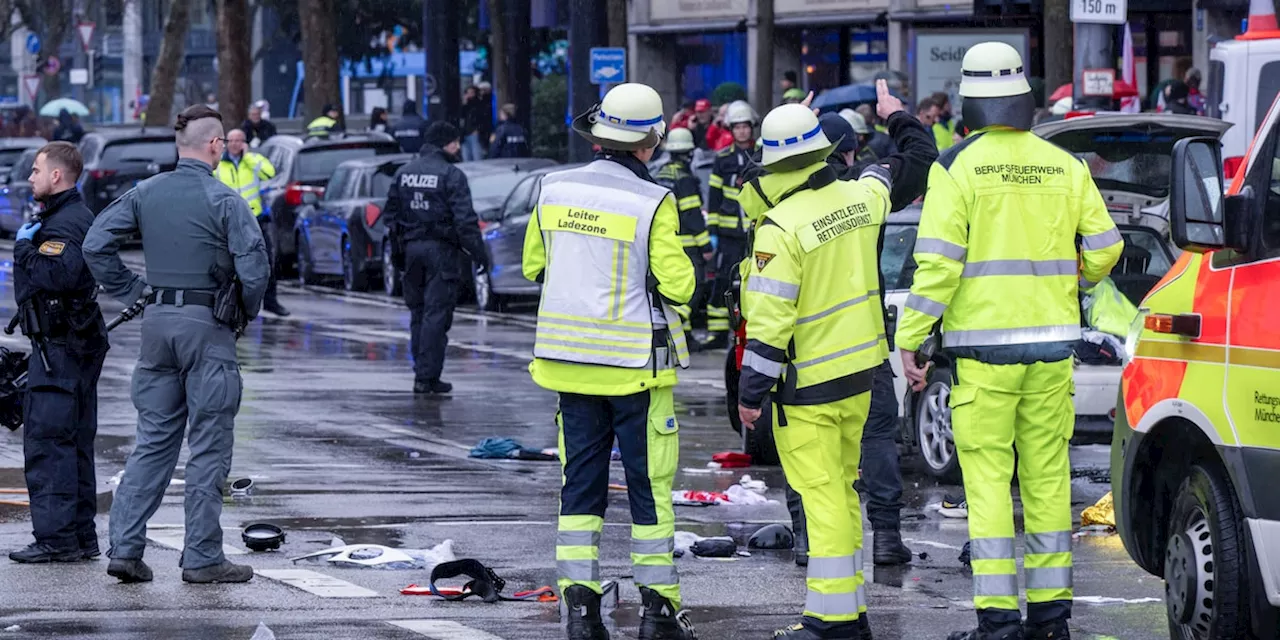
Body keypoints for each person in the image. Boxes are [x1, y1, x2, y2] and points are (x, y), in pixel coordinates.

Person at [894, 43, 1124, 640]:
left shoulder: (956, 167)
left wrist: (912, 339)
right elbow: (1106, 248)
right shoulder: (1063, 165)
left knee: (989, 485)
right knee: (1048, 480)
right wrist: (1074, 283)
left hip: (982, 358)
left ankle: (998, 623)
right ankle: (1051, 620)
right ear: (1023, 97)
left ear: (969, 101)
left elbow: (939, 267)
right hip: (1051, 353)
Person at [521, 82, 697, 640]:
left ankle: (580, 611)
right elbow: (681, 285)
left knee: (580, 491)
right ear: (651, 140)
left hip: (569, 367)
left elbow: (533, 266)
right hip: (633, 371)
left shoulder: (553, 186)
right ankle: (658, 613)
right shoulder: (653, 200)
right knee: (649, 491)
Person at [83, 105, 270, 585]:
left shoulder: (146, 192)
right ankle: (204, 557)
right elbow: (254, 268)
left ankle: (125, 549)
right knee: (208, 446)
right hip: (207, 329)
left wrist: (131, 291)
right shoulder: (224, 200)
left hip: (157, 328)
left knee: (152, 443)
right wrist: (243, 312)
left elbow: (95, 243)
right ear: (214, 146)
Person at [734, 99, 896, 640]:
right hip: (861, 376)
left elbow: (771, 321)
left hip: (807, 388)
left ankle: (829, 622)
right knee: (844, 492)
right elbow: (881, 175)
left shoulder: (779, 227)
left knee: (822, 496)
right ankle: (851, 615)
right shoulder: (861, 200)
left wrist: (750, 393)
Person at [7, 142, 108, 564]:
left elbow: (59, 275)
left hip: (61, 347)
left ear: (56, 176)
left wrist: (23, 250)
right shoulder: (66, 216)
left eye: (35, 171)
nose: (30, 178)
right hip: (70, 344)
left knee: (50, 443)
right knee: (74, 441)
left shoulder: (65, 223)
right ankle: (80, 536)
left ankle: (57, 539)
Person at [382, 121, 487, 395]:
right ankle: (427, 378)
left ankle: (422, 370)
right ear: (447, 144)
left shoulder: (404, 173)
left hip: (410, 251)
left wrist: (398, 252)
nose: (459, 147)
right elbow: (465, 221)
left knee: (418, 314)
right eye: (456, 143)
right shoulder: (451, 174)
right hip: (441, 253)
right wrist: (480, 254)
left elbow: (390, 217)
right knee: (436, 316)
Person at [704, 100, 759, 349]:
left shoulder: (761, 155)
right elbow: (714, 198)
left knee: (755, 282)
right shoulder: (722, 159)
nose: (742, 132)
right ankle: (717, 332)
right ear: (731, 130)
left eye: (745, 127)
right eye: (737, 128)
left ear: (752, 128)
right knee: (725, 281)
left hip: (756, 231)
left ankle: (752, 329)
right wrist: (712, 231)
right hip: (728, 235)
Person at [216, 128, 288, 317]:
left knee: (266, 261)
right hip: (229, 221)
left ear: (244, 143)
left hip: (255, 219)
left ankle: (270, 301)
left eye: (239, 140)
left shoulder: (253, 160)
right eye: (231, 140)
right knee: (231, 265)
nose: (235, 144)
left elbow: (269, 173)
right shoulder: (218, 165)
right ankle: (233, 304)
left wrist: (248, 157)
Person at [654, 127, 710, 347]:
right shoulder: (685, 178)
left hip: (666, 243)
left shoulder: (661, 174)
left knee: (675, 288)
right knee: (695, 286)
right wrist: (705, 245)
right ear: (688, 153)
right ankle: (676, 323)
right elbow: (692, 215)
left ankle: (682, 336)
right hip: (687, 244)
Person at [461, 86, 488, 161]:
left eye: (472, 92)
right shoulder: (464, 105)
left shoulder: (479, 104)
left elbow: (483, 119)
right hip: (464, 134)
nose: (469, 94)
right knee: (466, 157)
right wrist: (464, 103)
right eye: (468, 92)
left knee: (477, 157)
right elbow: (460, 116)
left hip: (474, 132)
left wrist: (478, 129)